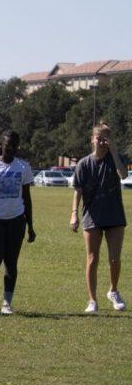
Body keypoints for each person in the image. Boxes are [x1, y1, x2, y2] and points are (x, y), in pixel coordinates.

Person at [71, 123, 128, 313]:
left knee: (115, 259)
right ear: (92, 139)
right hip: (91, 217)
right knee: (92, 259)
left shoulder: (114, 159)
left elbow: (124, 174)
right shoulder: (84, 163)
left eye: (106, 138)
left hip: (114, 215)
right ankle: (92, 300)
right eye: (99, 137)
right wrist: (74, 215)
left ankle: (113, 291)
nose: (102, 141)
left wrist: (113, 150)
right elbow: (77, 192)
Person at [0, 131, 35, 314]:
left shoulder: (23, 167)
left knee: (11, 262)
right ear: (1, 145)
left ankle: (6, 303)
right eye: (8, 144)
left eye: (15, 145)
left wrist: (31, 226)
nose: (11, 148)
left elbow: (27, 197)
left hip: (17, 220)